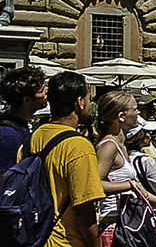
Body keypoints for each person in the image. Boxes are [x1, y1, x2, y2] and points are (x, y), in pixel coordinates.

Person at [35, 71, 106, 247]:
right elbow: (84, 208)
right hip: (66, 241)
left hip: (35, 237)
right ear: (79, 103)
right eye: (89, 98)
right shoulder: (79, 146)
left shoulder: (32, 139)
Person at [94, 90, 156, 245]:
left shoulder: (120, 146)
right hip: (114, 230)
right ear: (121, 116)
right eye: (135, 109)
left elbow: (136, 188)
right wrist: (127, 185)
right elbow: (93, 185)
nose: (138, 113)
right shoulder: (109, 146)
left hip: (126, 226)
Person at [0, 66, 44, 188]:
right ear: (26, 100)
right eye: (41, 90)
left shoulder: (16, 125)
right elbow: (6, 184)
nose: (46, 92)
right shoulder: (7, 135)